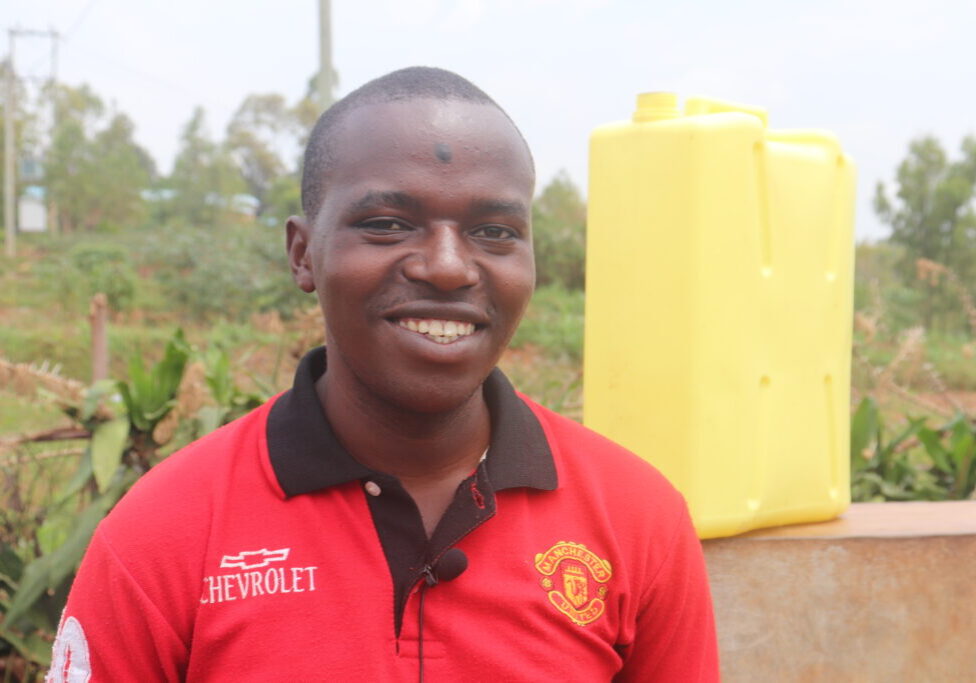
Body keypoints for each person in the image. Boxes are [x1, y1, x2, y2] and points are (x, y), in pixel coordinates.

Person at [48, 66, 719, 682]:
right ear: (303, 253)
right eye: (389, 223)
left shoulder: (638, 521)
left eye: (494, 231)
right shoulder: (166, 531)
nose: (449, 266)